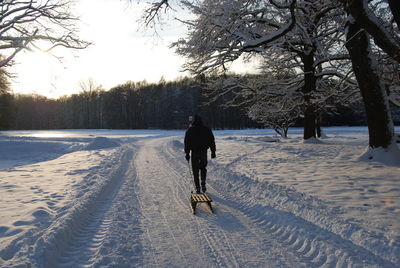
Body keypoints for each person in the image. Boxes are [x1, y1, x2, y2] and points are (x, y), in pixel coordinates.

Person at [184, 115, 216, 194]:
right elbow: (212, 141)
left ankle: (198, 187)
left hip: (194, 152)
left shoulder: (190, 130)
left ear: (194, 121)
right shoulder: (207, 129)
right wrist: (213, 152)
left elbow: (187, 142)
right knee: (203, 168)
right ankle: (203, 183)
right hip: (203, 152)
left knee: (195, 170)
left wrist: (187, 153)